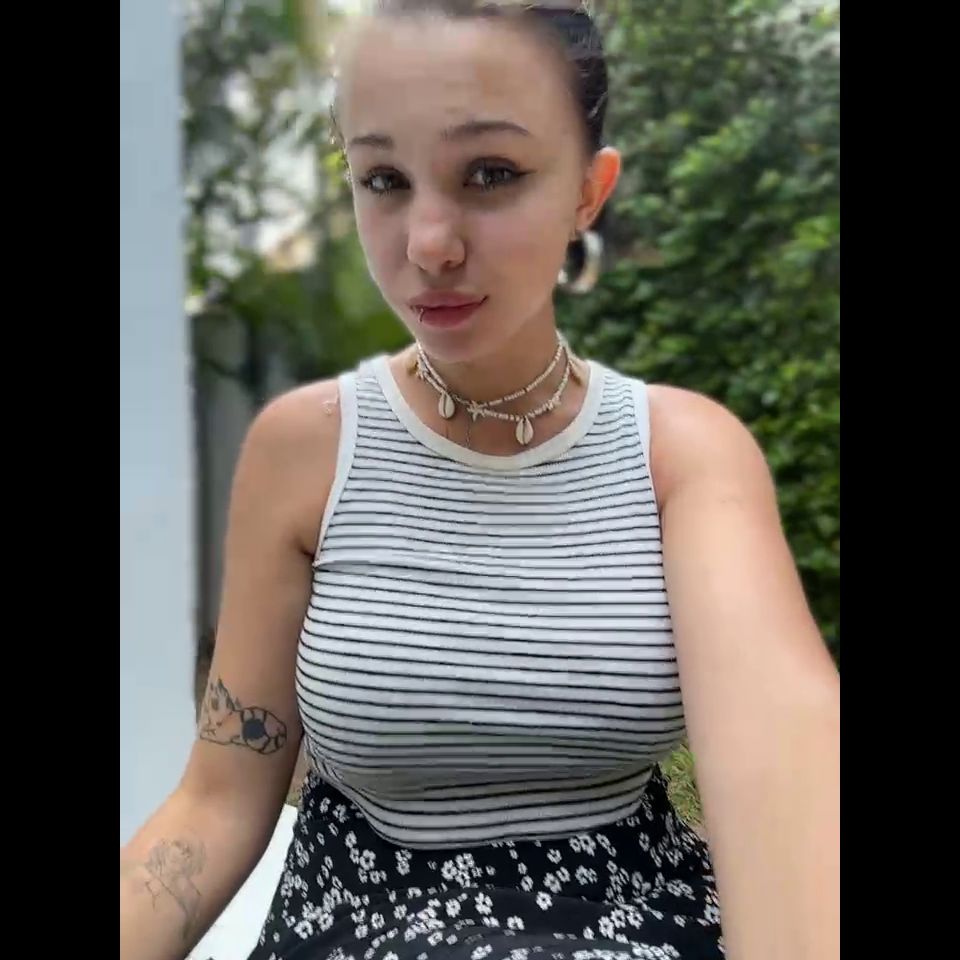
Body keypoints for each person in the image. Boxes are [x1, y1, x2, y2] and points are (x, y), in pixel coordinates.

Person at [119, 2, 840, 959]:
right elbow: (216, 801)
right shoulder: (306, 451)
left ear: (588, 191)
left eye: (491, 173)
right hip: (357, 925)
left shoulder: (680, 456)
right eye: (383, 179)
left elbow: (782, 761)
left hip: (635, 923)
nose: (429, 243)